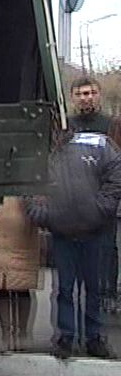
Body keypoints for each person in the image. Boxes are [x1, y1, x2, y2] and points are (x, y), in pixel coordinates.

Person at [23, 130, 121, 359]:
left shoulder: (99, 143)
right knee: (65, 289)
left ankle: (94, 338)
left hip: (95, 232)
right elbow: (28, 178)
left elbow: (116, 173)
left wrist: (101, 209)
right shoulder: (47, 145)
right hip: (62, 232)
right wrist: (43, 214)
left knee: (94, 289)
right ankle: (66, 337)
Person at [68, 77, 121, 315]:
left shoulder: (112, 125)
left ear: (98, 95)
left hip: (104, 200)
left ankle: (108, 294)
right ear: (73, 98)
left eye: (90, 93)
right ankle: (79, 298)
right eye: (80, 94)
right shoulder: (67, 125)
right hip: (73, 201)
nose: (86, 98)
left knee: (107, 249)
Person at [0, 197, 41, 352]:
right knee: (2, 286)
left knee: (22, 285)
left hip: (22, 228)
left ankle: (21, 334)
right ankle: (5, 335)